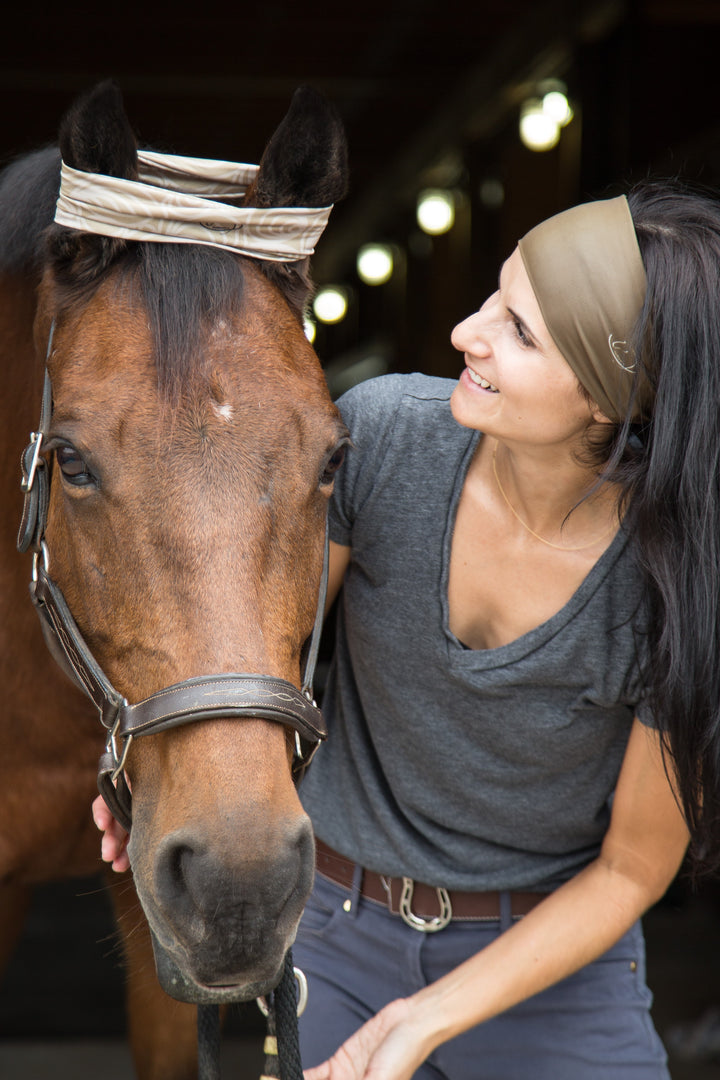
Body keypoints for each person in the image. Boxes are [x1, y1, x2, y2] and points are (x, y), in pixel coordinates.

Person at [95, 181, 720, 1079]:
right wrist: (156, 778)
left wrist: (425, 1019)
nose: (469, 332)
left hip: (552, 968)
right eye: (494, 298)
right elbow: (254, 659)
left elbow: (630, 870)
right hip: (335, 935)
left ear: (606, 401)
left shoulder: (675, 582)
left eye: (521, 331)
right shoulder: (386, 438)